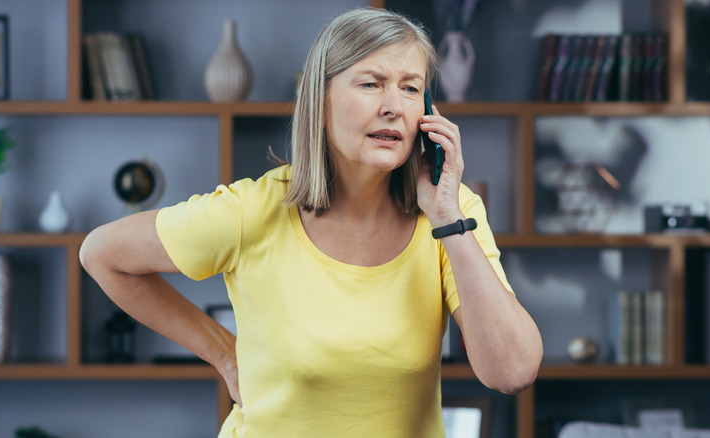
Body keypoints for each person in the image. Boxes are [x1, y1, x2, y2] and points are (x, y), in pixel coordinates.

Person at [80, 7, 543, 438]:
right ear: (319, 103)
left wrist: (447, 219)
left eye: (410, 87)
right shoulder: (254, 209)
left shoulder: (452, 214)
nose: (394, 106)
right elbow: (102, 254)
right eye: (370, 84)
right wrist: (224, 352)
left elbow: (512, 372)